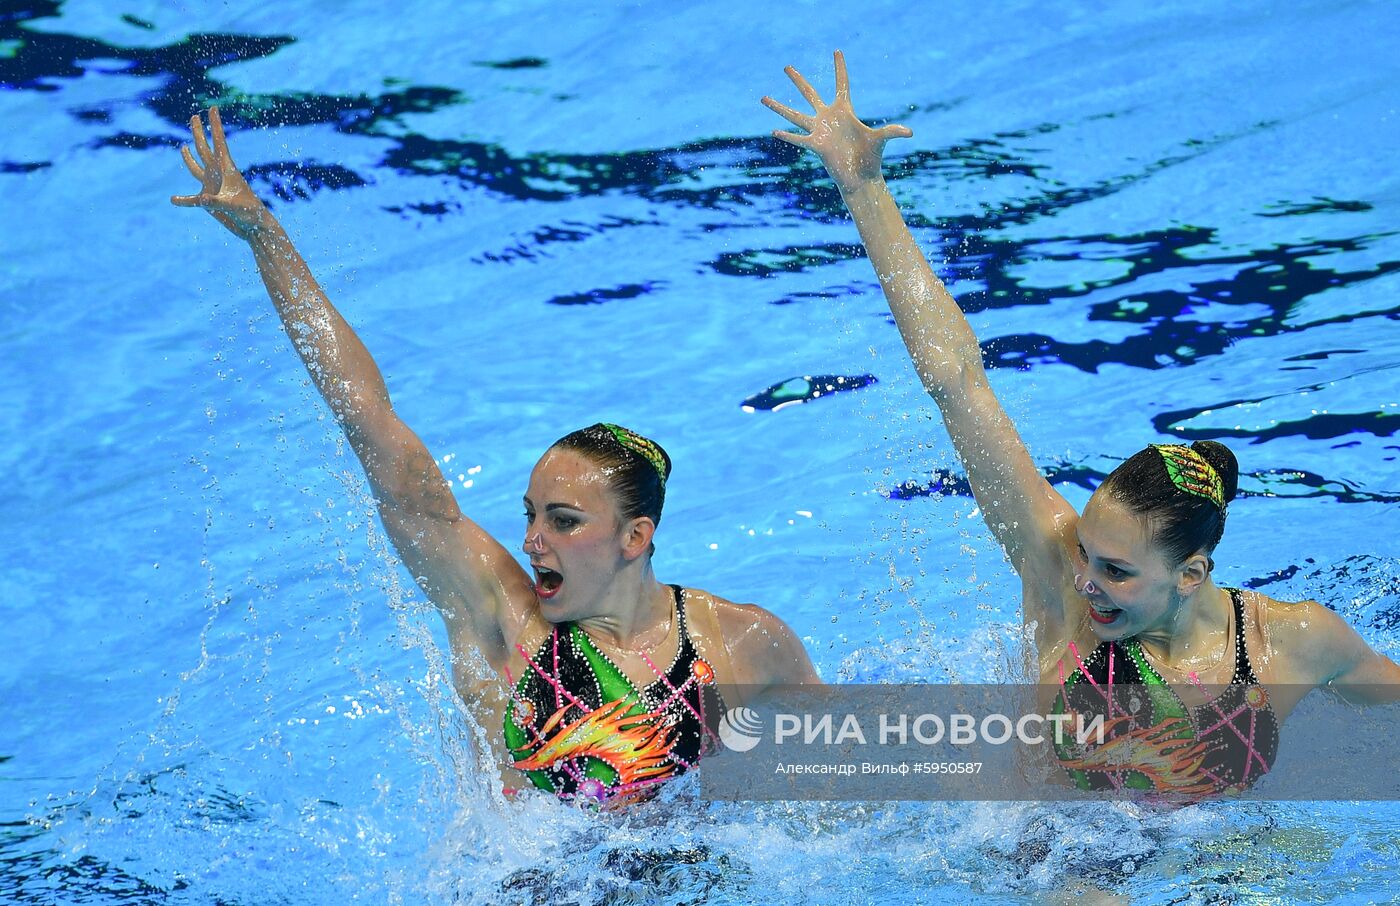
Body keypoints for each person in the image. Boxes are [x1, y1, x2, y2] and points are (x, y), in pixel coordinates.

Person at [763, 52, 1400, 798]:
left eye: (1116, 571)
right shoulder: (1060, 586)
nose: (1085, 581)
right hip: (1044, 851)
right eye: (1088, 555)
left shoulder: (1292, 642)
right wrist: (864, 187)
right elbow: (956, 383)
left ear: (1191, 575)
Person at [171, 107, 820, 807]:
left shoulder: (741, 643)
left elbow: (851, 785)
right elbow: (368, 420)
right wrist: (266, 237)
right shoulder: (507, 625)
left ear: (636, 536)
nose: (532, 540)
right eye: (531, 514)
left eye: (564, 520)